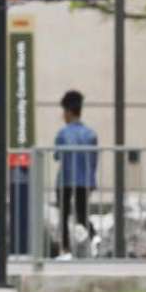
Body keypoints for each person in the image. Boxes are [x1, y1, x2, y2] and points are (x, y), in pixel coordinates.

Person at [53, 90, 99, 258]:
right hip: (84, 180)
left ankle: (65, 249)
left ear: (69, 112)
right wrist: (92, 180)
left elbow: (57, 156)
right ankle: (94, 237)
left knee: (64, 215)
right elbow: (94, 160)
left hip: (65, 179)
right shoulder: (91, 134)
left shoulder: (63, 134)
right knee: (82, 214)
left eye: (64, 112)